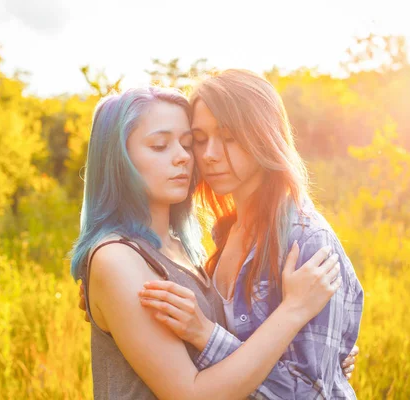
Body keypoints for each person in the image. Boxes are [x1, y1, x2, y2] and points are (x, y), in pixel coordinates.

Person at [71, 86, 344, 399]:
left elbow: (229, 356)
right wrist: (293, 311)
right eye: (160, 146)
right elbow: (192, 394)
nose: (183, 157)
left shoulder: (185, 249)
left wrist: (321, 365)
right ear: (117, 159)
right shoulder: (117, 259)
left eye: (189, 143)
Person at [131, 70, 364, 398]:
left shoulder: (307, 243)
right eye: (200, 139)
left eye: (229, 137)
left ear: (263, 137)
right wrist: (117, 293)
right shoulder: (223, 232)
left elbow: (311, 393)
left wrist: (206, 335)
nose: (209, 153)